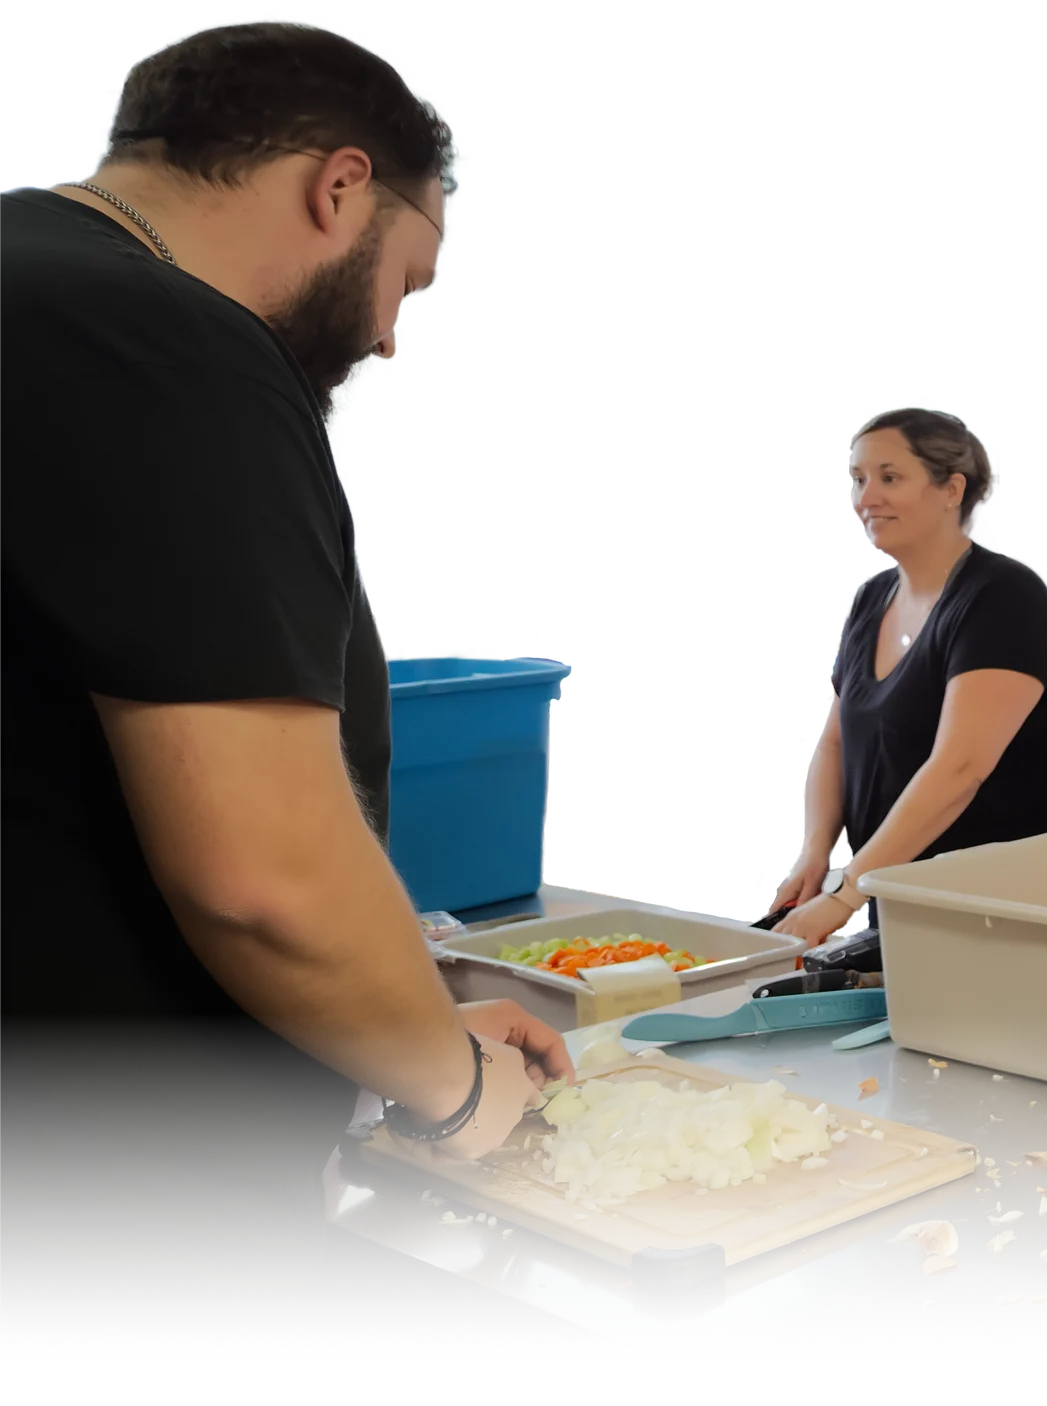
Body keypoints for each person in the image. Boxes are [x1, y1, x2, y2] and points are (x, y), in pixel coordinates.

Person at [1, 23, 574, 1366]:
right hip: (114, 1263)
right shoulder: (170, 343)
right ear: (339, 188)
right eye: (408, 281)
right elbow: (263, 876)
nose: (385, 334)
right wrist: (450, 1087)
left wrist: (403, 1012)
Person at [769, 409, 1047, 941]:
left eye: (890, 478)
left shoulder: (1003, 595)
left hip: (1039, 902)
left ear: (951, 489)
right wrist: (815, 855)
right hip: (924, 898)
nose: (866, 498)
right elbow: (838, 743)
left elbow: (960, 768)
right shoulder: (870, 600)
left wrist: (847, 894)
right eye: (859, 480)